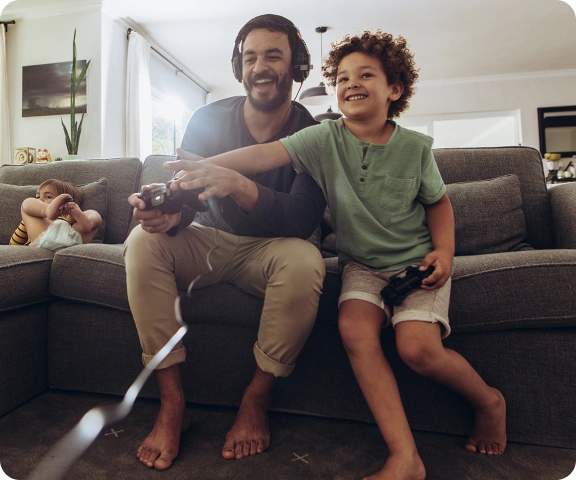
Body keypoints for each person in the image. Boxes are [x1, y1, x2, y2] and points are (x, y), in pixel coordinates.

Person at [170, 30, 507, 480]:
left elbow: (438, 204)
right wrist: (209, 167)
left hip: (415, 264)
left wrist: (445, 252)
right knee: (353, 329)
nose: (352, 82)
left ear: (395, 89)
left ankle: (489, 401)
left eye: (366, 73)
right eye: (343, 75)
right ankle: (404, 457)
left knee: (417, 348)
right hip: (361, 268)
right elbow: (263, 155)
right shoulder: (321, 138)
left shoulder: (415, 148)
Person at [123, 14, 326, 471]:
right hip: (210, 242)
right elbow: (188, 201)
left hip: (272, 250)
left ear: (295, 65)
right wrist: (167, 214)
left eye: (274, 55)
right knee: (141, 241)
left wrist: (238, 183)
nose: (261, 67)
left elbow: (302, 217)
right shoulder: (207, 119)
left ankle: (256, 400)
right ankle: (173, 404)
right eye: (250, 57)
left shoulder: (312, 132)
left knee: (306, 260)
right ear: (239, 67)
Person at [9, 178, 102, 250]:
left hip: (73, 238)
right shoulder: (35, 219)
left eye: (48, 196)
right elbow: (14, 246)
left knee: (26, 203)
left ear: (66, 201)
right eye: (37, 197)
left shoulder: (71, 215)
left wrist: (74, 210)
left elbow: (13, 244)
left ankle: (87, 223)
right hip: (49, 239)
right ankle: (47, 210)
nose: (39, 200)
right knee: (94, 215)